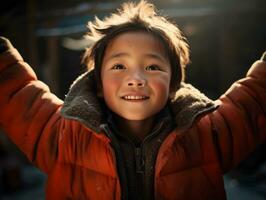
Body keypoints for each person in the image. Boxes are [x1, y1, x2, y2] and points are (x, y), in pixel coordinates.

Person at [0, 1, 265, 199]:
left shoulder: (206, 134)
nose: (136, 78)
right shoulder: (63, 137)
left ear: (173, 84)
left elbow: (253, 99)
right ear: (99, 84)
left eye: (152, 67)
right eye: (119, 67)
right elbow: (18, 94)